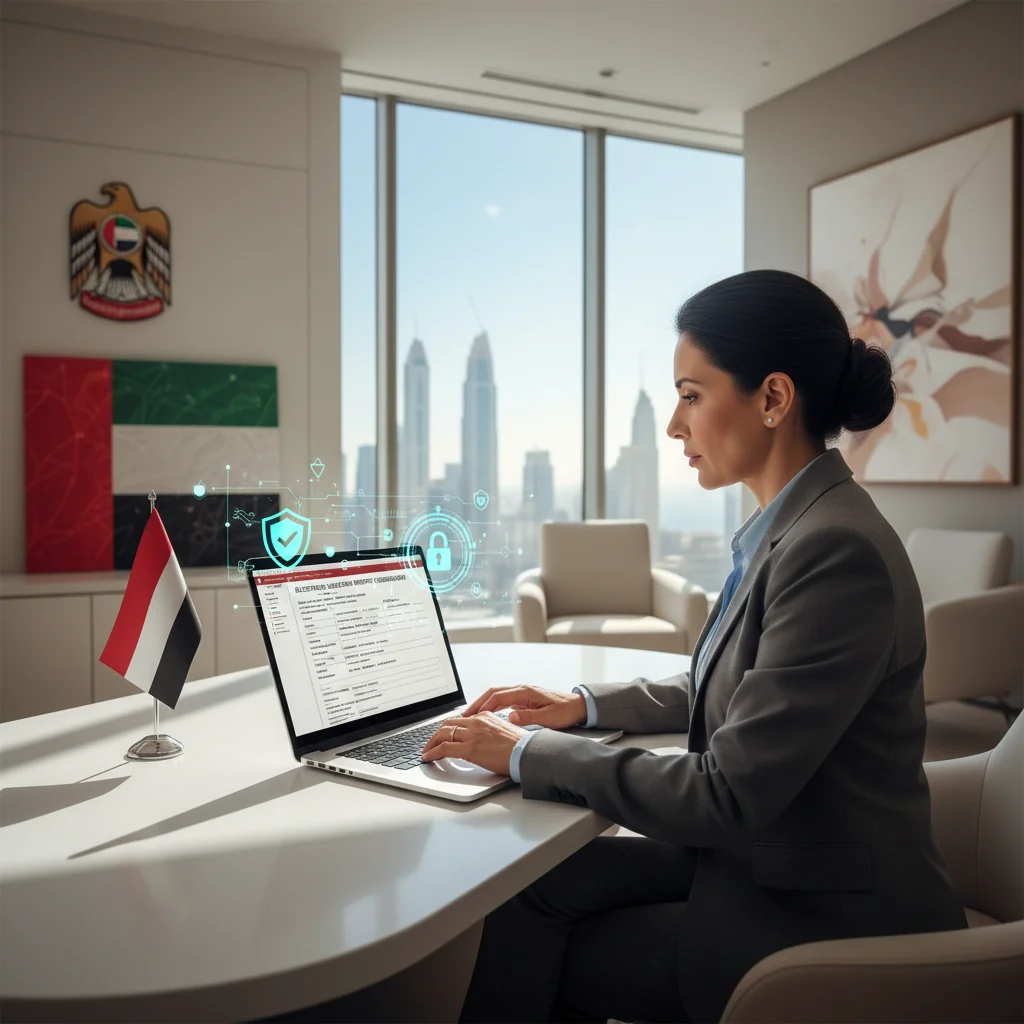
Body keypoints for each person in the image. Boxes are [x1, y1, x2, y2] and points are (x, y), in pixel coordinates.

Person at [420, 269, 968, 1023]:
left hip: (819, 906)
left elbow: (727, 795)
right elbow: (737, 683)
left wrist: (523, 753)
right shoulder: (796, 527)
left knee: (554, 951)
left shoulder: (833, 552)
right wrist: (579, 706)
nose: (675, 427)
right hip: (772, 856)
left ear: (773, 399)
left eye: (690, 395)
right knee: (528, 888)